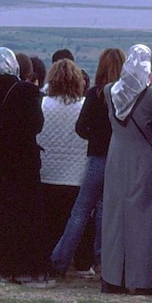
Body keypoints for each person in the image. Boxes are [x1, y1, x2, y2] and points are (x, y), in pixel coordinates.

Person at [0, 47, 51, 287]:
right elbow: (37, 126)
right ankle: (24, 267)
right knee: (25, 214)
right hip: (23, 161)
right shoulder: (28, 92)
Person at [51, 48, 125, 277]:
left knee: (81, 211)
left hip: (97, 158)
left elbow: (81, 127)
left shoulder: (95, 94)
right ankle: (104, 262)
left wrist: (96, 138)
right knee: (107, 211)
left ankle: (59, 261)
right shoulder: (125, 95)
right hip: (120, 158)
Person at [101, 44, 152, 294]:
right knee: (145, 221)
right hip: (144, 159)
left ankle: (112, 277)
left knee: (114, 218)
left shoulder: (109, 91)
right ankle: (141, 279)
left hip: (116, 158)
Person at [37, 58, 90, 274]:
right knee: (75, 223)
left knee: (48, 223)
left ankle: (47, 261)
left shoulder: (42, 104)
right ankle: (76, 262)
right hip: (77, 174)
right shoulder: (84, 106)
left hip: (47, 171)